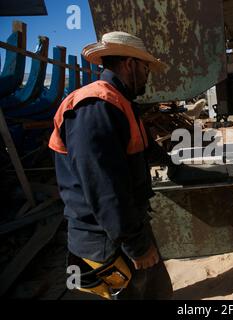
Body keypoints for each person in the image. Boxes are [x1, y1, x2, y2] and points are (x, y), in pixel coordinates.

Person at [49, 31, 174, 299]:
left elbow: (143, 147)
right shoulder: (95, 107)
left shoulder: (120, 102)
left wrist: (174, 164)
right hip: (103, 241)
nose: (148, 75)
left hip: (126, 226)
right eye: (145, 68)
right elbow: (104, 188)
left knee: (158, 291)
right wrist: (137, 245)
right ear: (130, 64)